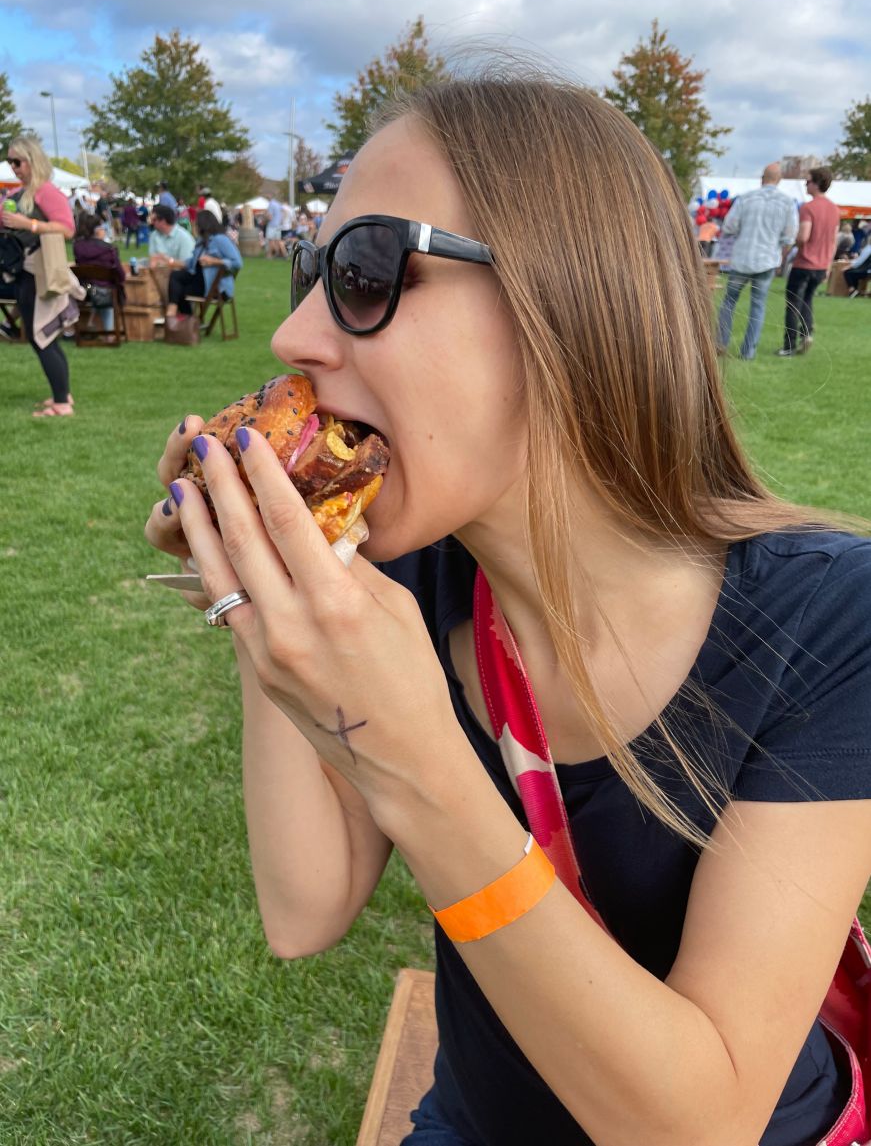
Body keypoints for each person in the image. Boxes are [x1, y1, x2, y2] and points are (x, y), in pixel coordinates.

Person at [145, 76, 871, 1146]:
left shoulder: (833, 618)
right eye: (314, 270)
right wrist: (269, 592)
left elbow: (700, 1120)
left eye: (362, 273)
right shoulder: (409, 572)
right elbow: (304, 911)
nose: (292, 337)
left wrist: (418, 758)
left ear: (570, 301)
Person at [1, 135, 77, 416]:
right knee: (42, 336)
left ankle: (61, 404)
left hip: (39, 272)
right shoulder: (20, 193)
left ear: (32, 160)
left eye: (17, 161)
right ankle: (62, 395)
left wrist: (29, 224)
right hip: (25, 272)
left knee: (41, 336)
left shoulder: (46, 192)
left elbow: (67, 229)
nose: (13, 167)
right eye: (10, 162)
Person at [716, 163, 798, 360]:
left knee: (729, 301)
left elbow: (729, 225)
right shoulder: (787, 203)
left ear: (762, 177)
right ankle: (748, 351)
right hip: (767, 260)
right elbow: (789, 236)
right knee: (758, 305)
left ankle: (720, 344)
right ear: (779, 179)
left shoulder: (746, 198)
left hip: (742, 257)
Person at [777, 167, 841, 357]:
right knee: (807, 300)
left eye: (808, 181)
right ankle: (807, 333)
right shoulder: (834, 209)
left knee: (793, 303)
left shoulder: (808, 208)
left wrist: (791, 245)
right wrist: (828, 265)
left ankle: (789, 345)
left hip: (804, 263)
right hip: (822, 265)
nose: (805, 184)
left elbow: (804, 236)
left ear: (816, 183)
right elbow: (833, 241)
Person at [164, 209, 241, 325]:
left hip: (216, 288)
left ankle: (184, 319)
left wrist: (214, 261)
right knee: (175, 277)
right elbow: (192, 263)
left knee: (178, 289)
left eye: (196, 223)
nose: (194, 225)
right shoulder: (202, 240)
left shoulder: (221, 240)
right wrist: (171, 261)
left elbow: (237, 262)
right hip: (200, 281)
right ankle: (187, 319)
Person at [72, 211, 126, 337]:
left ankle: (92, 324)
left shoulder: (77, 247)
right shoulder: (109, 249)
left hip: (85, 289)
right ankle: (109, 333)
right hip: (105, 291)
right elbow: (120, 274)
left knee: (97, 287)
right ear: (97, 230)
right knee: (109, 289)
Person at [148, 204, 196, 270]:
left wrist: (169, 261)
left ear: (163, 221)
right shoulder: (154, 235)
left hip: (179, 276)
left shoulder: (184, 237)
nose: (151, 223)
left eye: (154, 220)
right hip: (159, 274)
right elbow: (152, 259)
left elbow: (187, 264)